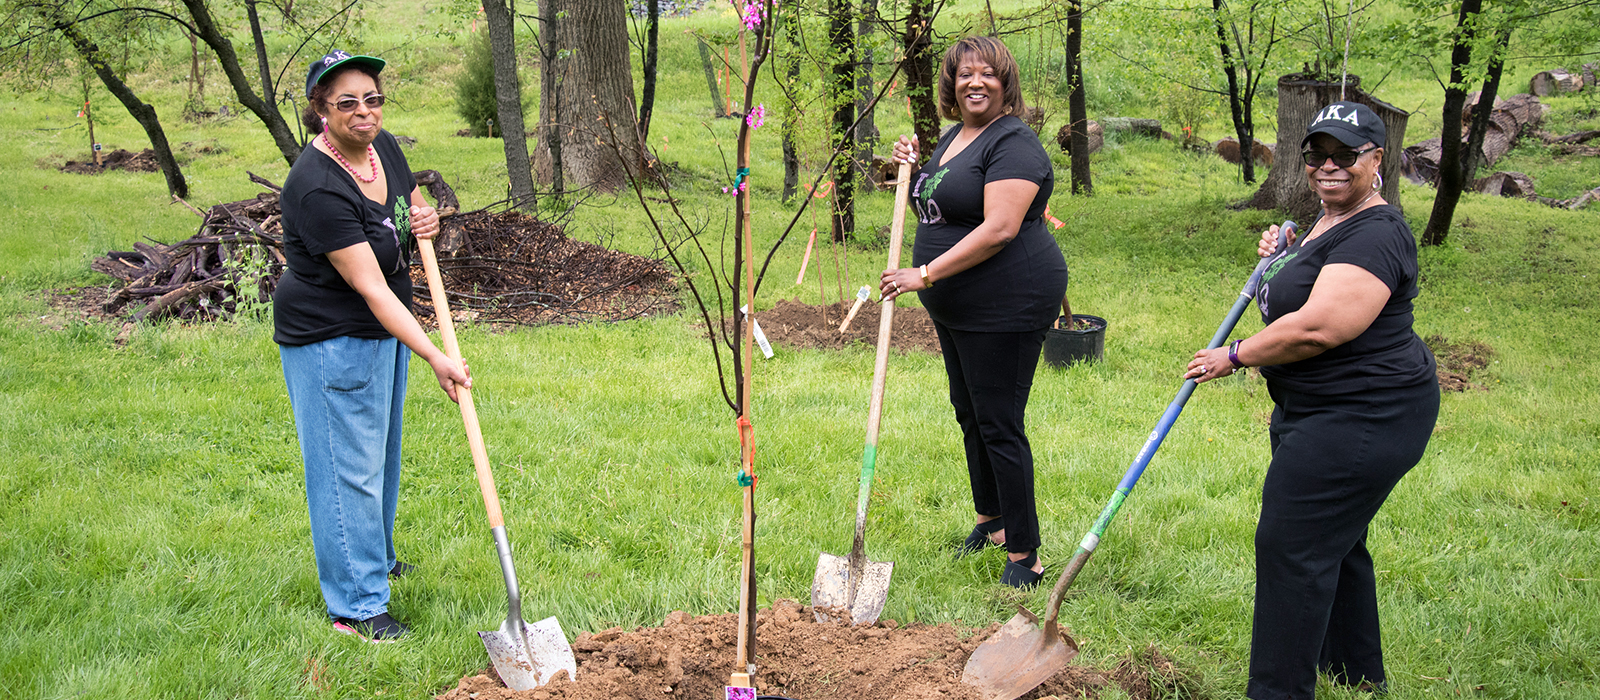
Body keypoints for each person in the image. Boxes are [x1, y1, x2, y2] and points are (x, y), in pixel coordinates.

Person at [1184, 101, 1439, 697]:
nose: (1329, 166)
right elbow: (1305, 281)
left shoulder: (1378, 233)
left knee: (1291, 546)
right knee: (1335, 539)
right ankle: (1354, 671)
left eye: (1345, 155)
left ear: (1377, 161)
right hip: (1319, 406)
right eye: (1317, 154)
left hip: (1366, 413)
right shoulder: (1327, 219)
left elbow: (1320, 327)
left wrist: (1237, 354)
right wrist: (1282, 255)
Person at [275, 50, 471, 642]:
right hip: (332, 335)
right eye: (347, 103)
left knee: (379, 455)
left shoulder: (379, 146)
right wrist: (435, 353)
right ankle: (358, 607)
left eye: (373, 98)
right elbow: (371, 289)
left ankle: (375, 559)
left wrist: (424, 218)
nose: (365, 112)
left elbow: (408, 200)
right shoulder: (315, 188)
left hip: (382, 329)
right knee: (346, 468)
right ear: (320, 111)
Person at [880, 36, 1068, 589]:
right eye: (964, 75)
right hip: (961, 308)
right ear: (951, 84)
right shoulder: (954, 138)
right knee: (971, 414)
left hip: (1005, 303)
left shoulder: (1014, 144)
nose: (974, 83)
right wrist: (912, 169)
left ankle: (1026, 555)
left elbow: (1000, 228)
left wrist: (926, 274)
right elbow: (940, 202)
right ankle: (991, 523)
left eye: (986, 74)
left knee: (1000, 423)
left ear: (1005, 82)